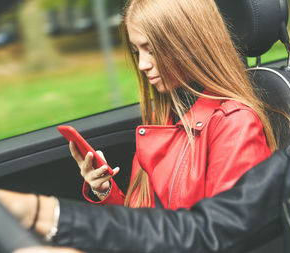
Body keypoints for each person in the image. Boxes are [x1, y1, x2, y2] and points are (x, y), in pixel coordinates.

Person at [0, 0, 290, 252]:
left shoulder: (233, 123)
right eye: (136, 51)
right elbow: (197, 226)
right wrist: (47, 212)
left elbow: (214, 237)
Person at [68, 0, 273, 210]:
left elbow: (224, 233)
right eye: (137, 52)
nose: (142, 65)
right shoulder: (163, 116)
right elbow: (142, 221)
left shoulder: (234, 124)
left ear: (190, 44)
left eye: (152, 51)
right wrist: (103, 190)